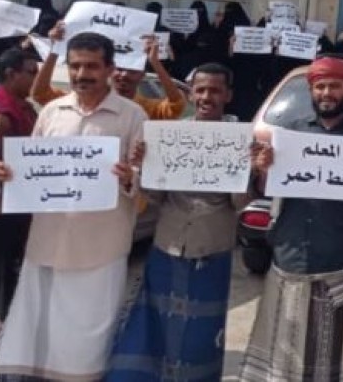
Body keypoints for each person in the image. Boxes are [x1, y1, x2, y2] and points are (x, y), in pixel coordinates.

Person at [0, 32, 144, 381]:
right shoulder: (52, 113)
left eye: (91, 66)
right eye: (75, 66)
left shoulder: (131, 116)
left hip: (100, 248)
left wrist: (128, 177)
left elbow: (145, 182)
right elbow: (32, 171)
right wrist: (10, 173)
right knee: (38, 333)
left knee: (87, 342)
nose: (81, 74)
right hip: (47, 242)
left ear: (109, 69)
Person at [241, 57, 343, 381]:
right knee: (282, 349)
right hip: (289, 255)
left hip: (337, 260)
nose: (326, 92)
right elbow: (266, 188)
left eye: (334, 86)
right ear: (311, 90)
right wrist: (263, 170)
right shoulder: (289, 134)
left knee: (326, 355)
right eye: (319, 86)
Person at [106, 63, 249, 381]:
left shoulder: (242, 139)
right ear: (191, 94)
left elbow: (241, 204)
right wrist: (138, 171)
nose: (206, 97)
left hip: (212, 250)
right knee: (155, 329)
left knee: (201, 338)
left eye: (214, 90)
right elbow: (154, 198)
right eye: (200, 90)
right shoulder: (171, 135)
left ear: (228, 95)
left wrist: (247, 168)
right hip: (167, 248)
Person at [0, 49, 39, 327]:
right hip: (0, 208)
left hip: (24, 203)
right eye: (31, 73)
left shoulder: (25, 108)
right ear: (11, 74)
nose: (36, 79)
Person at [32, 25, 187, 120]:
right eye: (120, 69)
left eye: (132, 71)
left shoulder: (143, 111)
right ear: (110, 70)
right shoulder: (78, 102)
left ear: (142, 75)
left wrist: (156, 63)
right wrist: (55, 50)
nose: (124, 75)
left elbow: (176, 105)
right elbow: (40, 94)